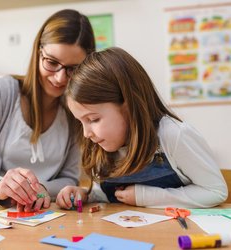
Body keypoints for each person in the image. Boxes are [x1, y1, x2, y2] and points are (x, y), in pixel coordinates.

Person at [0, 9, 95, 212]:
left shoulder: (75, 112)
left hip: (43, 217)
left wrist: (42, 189)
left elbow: (69, 177)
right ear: (38, 53)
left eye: (73, 69)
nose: (60, 78)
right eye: (52, 62)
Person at [56, 47, 227, 209]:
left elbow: (215, 191)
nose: (86, 134)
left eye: (93, 119)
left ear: (128, 106)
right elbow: (105, 196)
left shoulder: (173, 134)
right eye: (81, 122)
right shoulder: (101, 145)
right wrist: (85, 195)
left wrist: (145, 196)